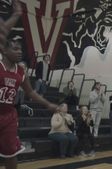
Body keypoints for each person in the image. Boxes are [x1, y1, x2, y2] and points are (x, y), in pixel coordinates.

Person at [0, 4, 58, 168]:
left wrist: (48, 104)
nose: (20, 52)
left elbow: (31, 92)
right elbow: (2, 33)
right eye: (15, 49)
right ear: (4, 51)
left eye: (21, 49)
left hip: (9, 116)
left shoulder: (20, 71)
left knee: (11, 153)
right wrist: (16, 15)